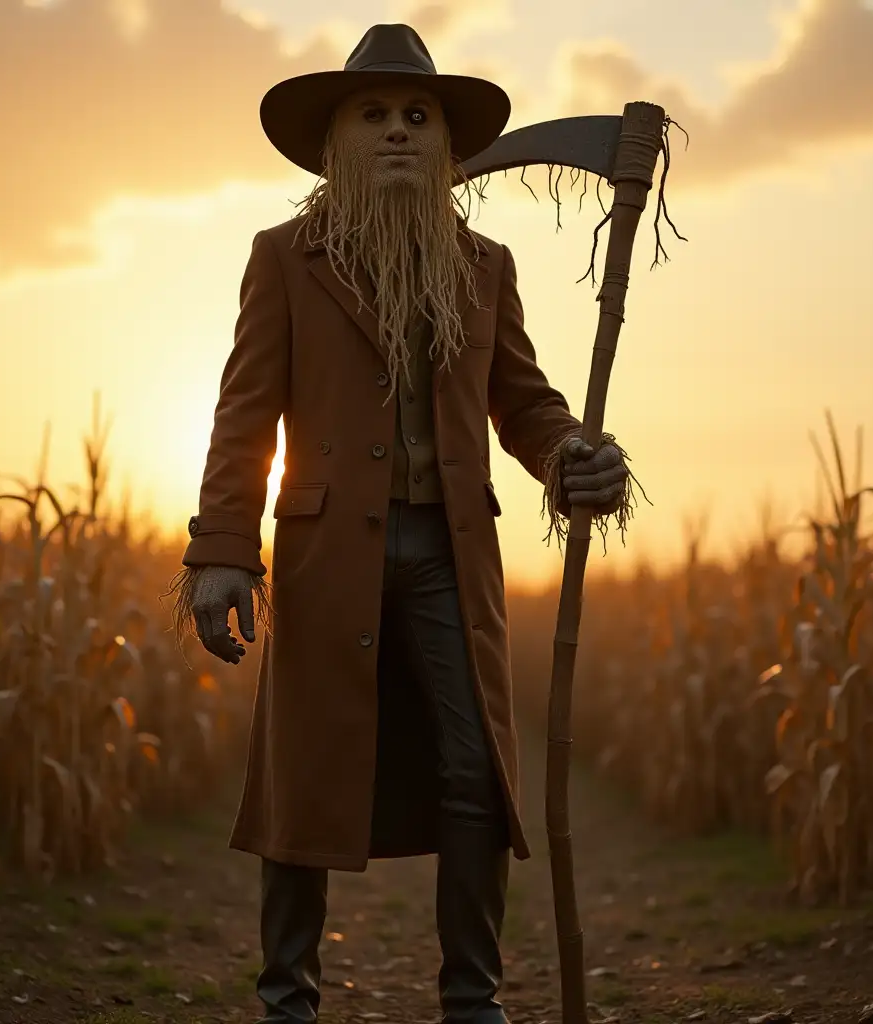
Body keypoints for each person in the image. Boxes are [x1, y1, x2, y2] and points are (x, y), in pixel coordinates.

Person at [170, 23, 632, 1024]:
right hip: (324, 554)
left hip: (447, 553)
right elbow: (244, 412)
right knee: (306, 774)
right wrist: (220, 555)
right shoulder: (285, 258)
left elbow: (525, 402)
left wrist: (571, 456)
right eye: (372, 114)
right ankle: (286, 1000)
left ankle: (472, 999)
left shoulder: (484, 265)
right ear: (334, 141)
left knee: (475, 767)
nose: (395, 131)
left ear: (445, 148)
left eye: (416, 117)